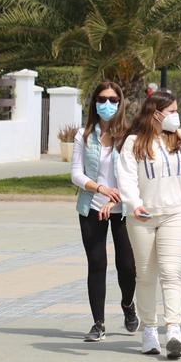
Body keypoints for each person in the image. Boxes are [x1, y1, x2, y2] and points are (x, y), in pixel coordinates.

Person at [116, 90, 181, 359]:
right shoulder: (134, 142)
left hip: (175, 213)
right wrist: (134, 204)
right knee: (144, 275)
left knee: (170, 271)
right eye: (172, 112)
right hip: (142, 217)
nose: (176, 116)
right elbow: (127, 177)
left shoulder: (180, 138)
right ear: (155, 114)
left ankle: (174, 329)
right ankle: (149, 330)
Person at [70, 81, 137, 343]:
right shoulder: (83, 135)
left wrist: (117, 195)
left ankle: (128, 304)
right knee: (97, 264)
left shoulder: (130, 136)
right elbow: (76, 173)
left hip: (123, 209)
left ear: (120, 103)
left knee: (127, 266)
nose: (106, 104)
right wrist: (100, 189)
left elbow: (135, 173)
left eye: (112, 99)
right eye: (101, 99)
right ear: (94, 103)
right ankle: (98, 323)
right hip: (92, 206)